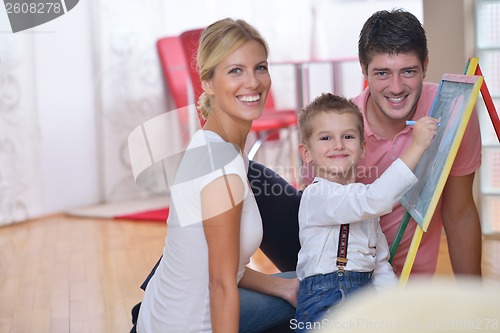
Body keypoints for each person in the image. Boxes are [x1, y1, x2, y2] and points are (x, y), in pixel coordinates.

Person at [135, 18, 298, 333]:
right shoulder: (220, 164)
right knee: (336, 299)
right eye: (235, 70)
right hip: (191, 325)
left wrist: (283, 287)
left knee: (310, 284)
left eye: (260, 67)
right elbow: (221, 283)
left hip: (164, 316)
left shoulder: (215, 144)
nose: (252, 82)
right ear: (207, 83)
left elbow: (219, 265)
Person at [292, 93, 438, 332]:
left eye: (347, 136)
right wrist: (418, 146)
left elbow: (379, 264)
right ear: (306, 153)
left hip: (364, 295)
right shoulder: (316, 196)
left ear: (362, 149)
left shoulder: (361, 198)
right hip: (325, 301)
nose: (338, 145)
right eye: (326, 138)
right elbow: (374, 199)